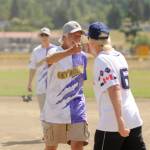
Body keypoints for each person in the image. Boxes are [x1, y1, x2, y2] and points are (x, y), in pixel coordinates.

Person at [87, 22, 146, 150]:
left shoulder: (101, 60)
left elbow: (114, 88)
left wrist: (119, 120)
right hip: (133, 119)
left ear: (91, 41)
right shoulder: (119, 56)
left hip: (113, 124)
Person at [41, 21, 90, 150]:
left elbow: (81, 82)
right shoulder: (53, 51)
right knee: (51, 147)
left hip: (77, 110)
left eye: (80, 36)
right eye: (74, 35)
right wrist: (70, 51)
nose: (78, 38)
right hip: (54, 110)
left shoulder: (83, 57)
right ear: (64, 37)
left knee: (78, 145)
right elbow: (49, 60)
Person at [27, 27, 56, 122]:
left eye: (46, 35)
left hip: (54, 85)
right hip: (41, 85)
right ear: (39, 37)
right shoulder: (36, 51)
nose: (44, 37)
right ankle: (46, 133)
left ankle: (54, 133)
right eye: (42, 35)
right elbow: (32, 67)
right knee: (43, 111)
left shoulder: (55, 50)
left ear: (49, 36)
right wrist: (29, 83)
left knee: (54, 110)